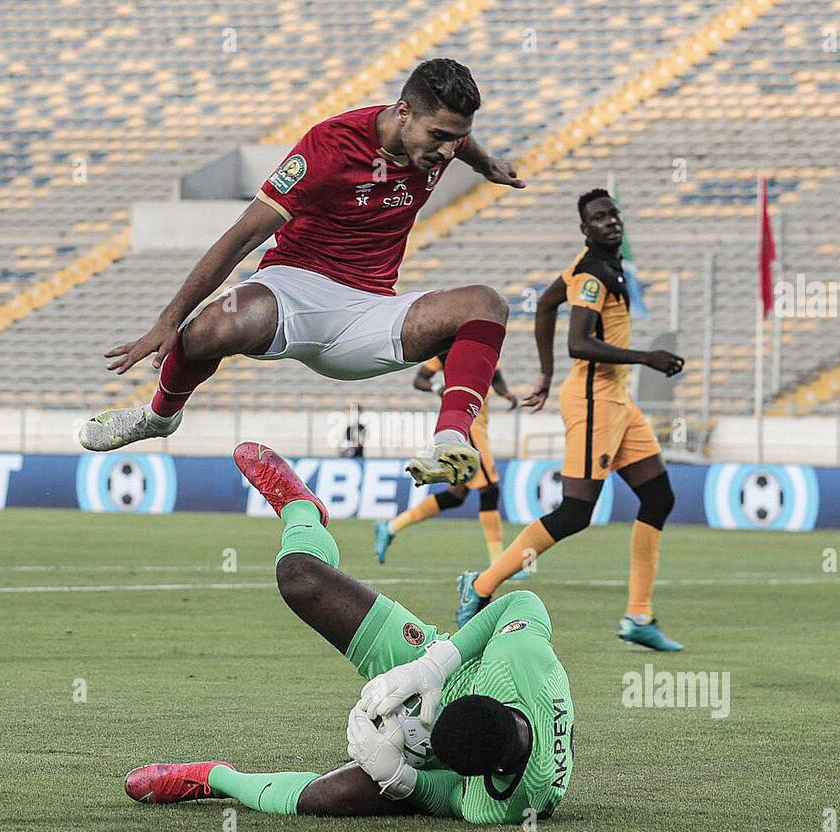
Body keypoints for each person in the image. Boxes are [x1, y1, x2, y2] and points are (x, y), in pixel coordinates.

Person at [80, 59, 524, 487]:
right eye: (441, 137)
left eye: (457, 139)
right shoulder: (330, 147)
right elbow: (240, 238)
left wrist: (488, 166)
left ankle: (448, 442)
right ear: (403, 112)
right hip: (295, 286)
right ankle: (157, 418)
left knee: (486, 303)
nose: (447, 149)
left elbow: (462, 145)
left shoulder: (437, 137)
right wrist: (167, 320)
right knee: (210, 329)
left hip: (370, 311)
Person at [125, 442, 574, 823]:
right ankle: (304, 511)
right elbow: (521, 603)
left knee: (328, 799)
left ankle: (213, 778)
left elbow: (452, 797)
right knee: (299, 578)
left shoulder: (510, 804)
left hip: (450, 761)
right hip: (446, 671)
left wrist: (406, 780)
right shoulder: (519, 665)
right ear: (490, 698)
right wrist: (434, 666)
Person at [455, 188, 685, 651]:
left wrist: (543, 373)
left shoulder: (598, 265)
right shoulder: (591, 275)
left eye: (613, 214)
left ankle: (638, 616)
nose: (610, 222)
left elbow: (543, 304)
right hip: (594, 401)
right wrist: (647, 357)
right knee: (575, 512)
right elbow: (578, 342)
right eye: (599, 218)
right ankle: (480, 585)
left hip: (617, 402)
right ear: (585, 229)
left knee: (658, 498)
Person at [375, 356, 525, 570]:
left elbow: (496, 376)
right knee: (489, 490)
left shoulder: (488, 348)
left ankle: (390, 527)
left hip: (480, 425)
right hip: (468, 427)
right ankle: (497, 563)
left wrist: (505, 393)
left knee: (456, 495)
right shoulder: (450, 350)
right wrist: (438, 387)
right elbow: (420, 379)